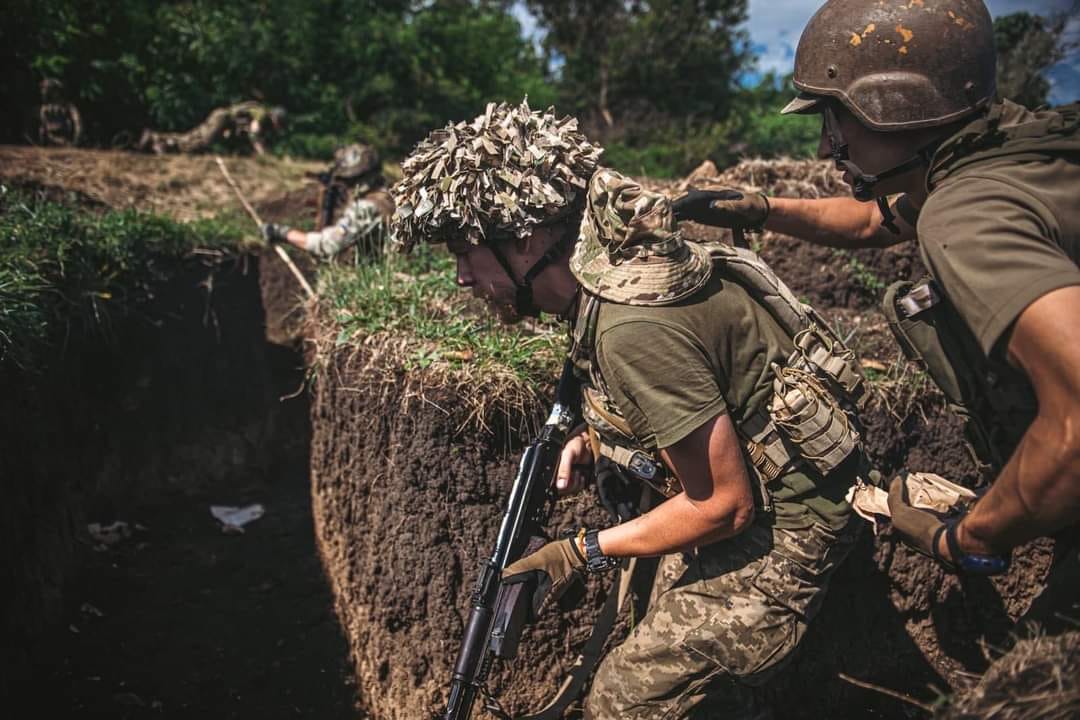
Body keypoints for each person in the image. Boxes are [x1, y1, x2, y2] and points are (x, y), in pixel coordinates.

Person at [392, 100, 872, 719]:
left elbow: (725, 504)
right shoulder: (613, 270)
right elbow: (696, 390)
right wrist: (598, 440)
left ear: (528, 238)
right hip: (750, 493)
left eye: (466, 251)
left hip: (789, 528)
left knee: (623, 700)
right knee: (648, 622)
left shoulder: (631, 329)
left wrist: (582, 549)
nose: (461, 277)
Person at [672, 0, 1080, 611]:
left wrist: (967, 538)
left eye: (834, 120)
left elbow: (1076, 419)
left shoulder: (968, 213)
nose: (823, 146)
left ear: (890, 105)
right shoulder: (1011, 151)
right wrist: (763, 208)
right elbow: (873, 222)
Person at [261, 144, 394, 259]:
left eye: (350, 180)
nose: (347, 186)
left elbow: (327, 244)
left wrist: (283, 233)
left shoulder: (367, 207)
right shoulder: (388, 194)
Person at [137, 101, 285, 155]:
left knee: (194, 136)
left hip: (223, 118)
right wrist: (263, 155)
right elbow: (255, 132)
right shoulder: (262, 114)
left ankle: (159, 140)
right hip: (223, 118)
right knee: (202, 142)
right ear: (275, 117)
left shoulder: (258, 110)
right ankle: (160, 141)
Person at [38, 78, 82, 147]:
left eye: (46, 89)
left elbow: (77, 124)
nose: (43, 92)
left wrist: (75, 142)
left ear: (56, 91)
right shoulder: (45, 108)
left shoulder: (68, 107)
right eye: (44, 89)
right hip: (50, 140)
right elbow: (43, 125)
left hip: (65, 141)